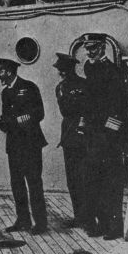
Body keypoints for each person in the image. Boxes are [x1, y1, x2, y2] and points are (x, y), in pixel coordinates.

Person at [81, 34, 126, 240]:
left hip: (108, 137)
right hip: (93, 134)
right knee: (94, 181)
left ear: (102, 48)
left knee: (111, 182)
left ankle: (115, 226)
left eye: (93, 48)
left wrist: (109, 134)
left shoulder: (112, 71)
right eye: (87, 49)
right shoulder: (89, 69)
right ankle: (102, 223)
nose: (90, 52)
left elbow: (118, 106)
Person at [0, 56, 48, 234]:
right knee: (17, 184)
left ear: (9, 71)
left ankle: (40, 223)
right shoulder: (5, 93)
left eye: (0, 71)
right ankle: (23, 220)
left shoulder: (29, 87)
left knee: (34, 183)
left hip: (31, 144)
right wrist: (5, 124)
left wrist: (17, 121)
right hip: (14, 146)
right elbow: (4, 119)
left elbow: (38, 113)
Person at [53, 52, 88, 229]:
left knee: (86, 177)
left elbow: (87, 109)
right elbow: (65, 110)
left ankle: (90, 217)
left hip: (85, 136)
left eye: (63, 70)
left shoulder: (85, 84)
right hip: (69, 136)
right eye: (60, 71)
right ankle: (79, 216)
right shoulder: (60, 88)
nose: (61, 73)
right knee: (73, 179)